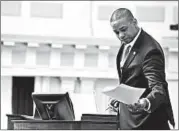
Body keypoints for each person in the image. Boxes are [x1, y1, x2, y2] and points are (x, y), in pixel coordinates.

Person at [108, 8, 175, 130]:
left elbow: (159, 89)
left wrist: (144, 103)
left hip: (147, 123)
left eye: (123, 30)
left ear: (134, 22)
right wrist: (120, 99)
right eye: (116, 32)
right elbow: (130, 80)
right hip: (129, 121)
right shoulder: (128, 42)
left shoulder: (150, 50)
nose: (121, 36)